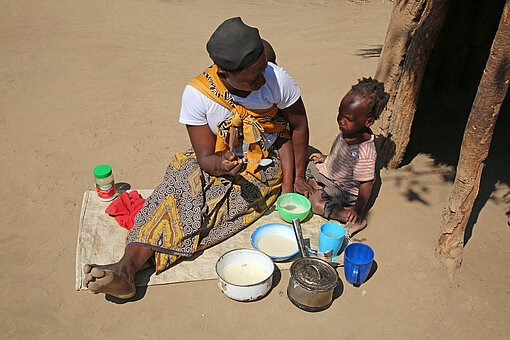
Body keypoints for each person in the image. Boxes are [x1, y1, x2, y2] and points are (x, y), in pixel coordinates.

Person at [83, 17, 314, 299]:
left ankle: (127, 269)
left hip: (264, 165)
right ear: (224, 73)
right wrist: (223, 164)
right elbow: (205, 157)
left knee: (213, 214)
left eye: (263, 68)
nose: (263, 80)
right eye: (252, 78)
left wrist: (298, 176)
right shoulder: (198, 94)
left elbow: (298, 127)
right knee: (176, 192)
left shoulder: (277, 79)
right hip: (216, 160)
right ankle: (125, 268)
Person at [307, 77, 389, 236]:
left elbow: (366, 183)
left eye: (349, 119)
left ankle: (353, 220)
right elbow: (340, 152)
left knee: (315, 203)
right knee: (306, 163)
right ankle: (319, 187)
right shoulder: (348, 131)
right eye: (340, 113)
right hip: (329, 173)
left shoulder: (364, 152)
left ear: (369, 121)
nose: (341, 121)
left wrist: (358, 209)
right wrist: (326, 158)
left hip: (343, 189)